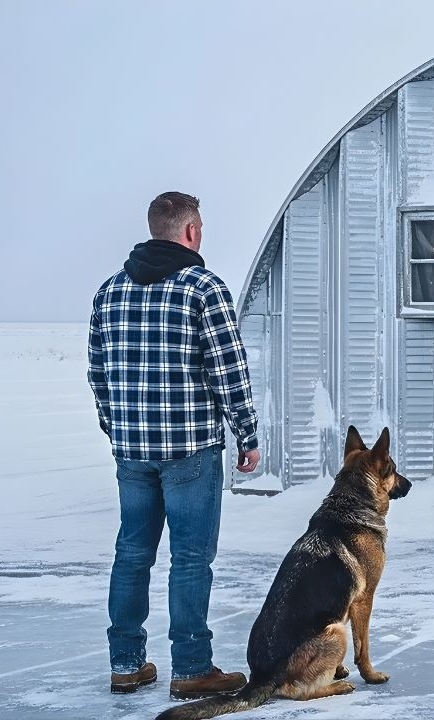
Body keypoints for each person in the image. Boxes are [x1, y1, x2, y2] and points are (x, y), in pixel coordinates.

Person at [89, 191, 260, 698]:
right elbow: (228, 369)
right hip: (189, 449)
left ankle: (126, 663)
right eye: (200, 227)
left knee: (131, 553)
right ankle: (191, 668)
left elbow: (98, 373)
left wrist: (116, 427)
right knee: (189, 558)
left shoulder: (110, 292)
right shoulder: (202, 288)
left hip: (132, 450)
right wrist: (246, 433)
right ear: (189, 232)